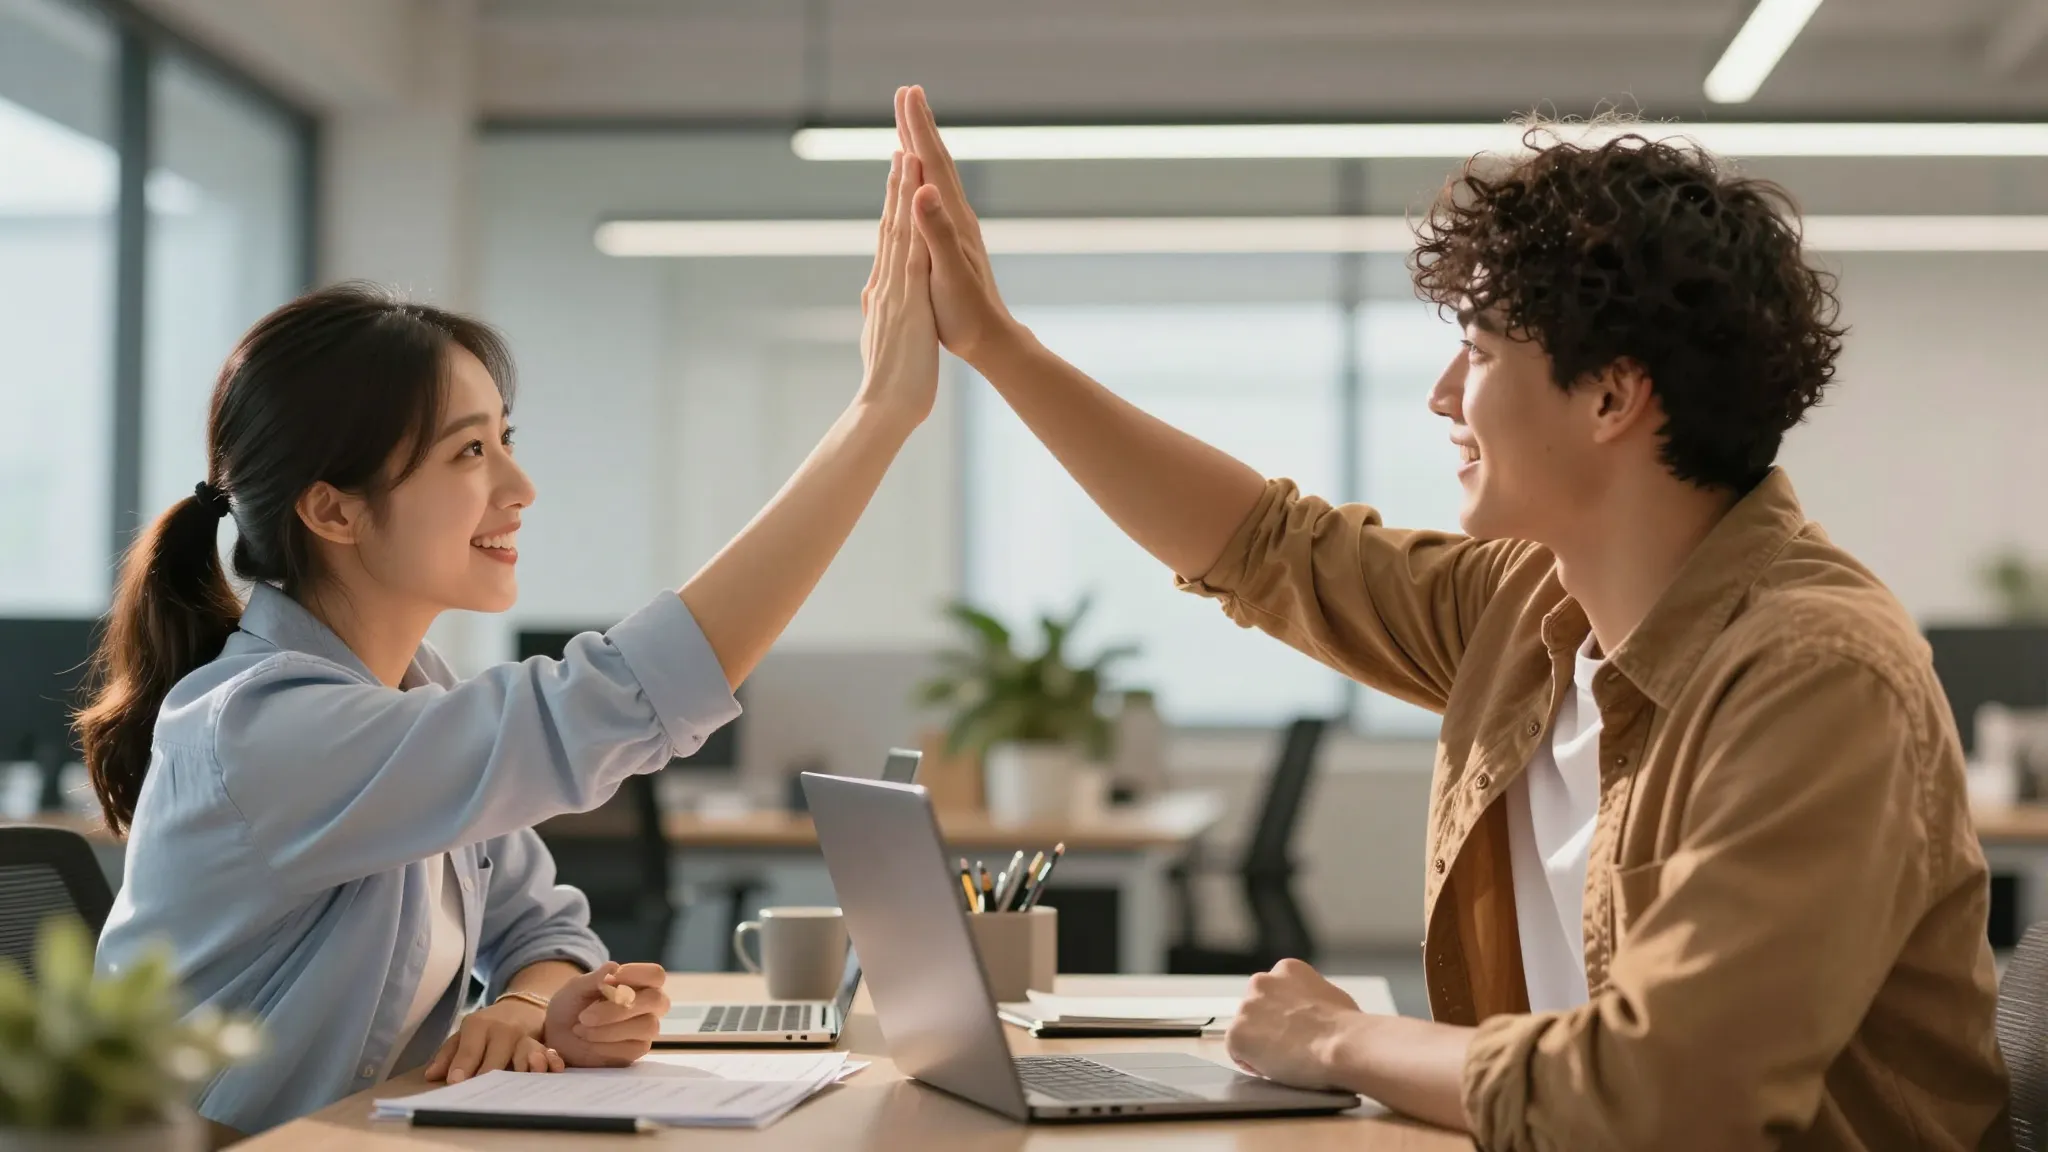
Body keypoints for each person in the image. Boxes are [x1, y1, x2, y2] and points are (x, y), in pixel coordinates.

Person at [892, 84, 2009, 1150]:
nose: (1439, 397)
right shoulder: (1532, 607)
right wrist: (997, 345)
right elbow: (1264, 546)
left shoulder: (1815, 675)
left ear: (1611, 396)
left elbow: (1666, 1101)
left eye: (1475, 354)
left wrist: (1342, 1038)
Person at [86, 150, 941, 1134]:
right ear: (334, 510)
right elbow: (613, 701)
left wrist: (535, 1003)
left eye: (505, 438)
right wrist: (877, 417)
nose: (518, 488)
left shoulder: (409, 693)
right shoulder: (261, 730)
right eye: (468, 451)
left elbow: (542, 925)